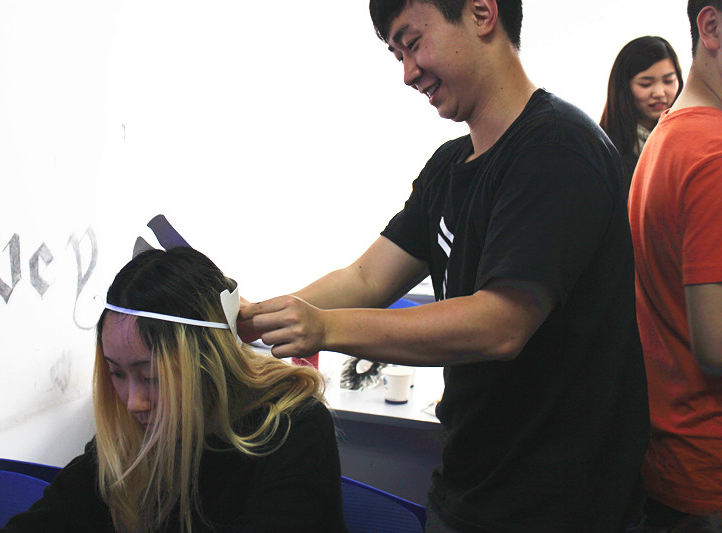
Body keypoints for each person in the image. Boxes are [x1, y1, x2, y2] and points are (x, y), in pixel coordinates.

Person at [239, 1, 649, 531]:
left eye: (413, 43)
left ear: (481, 13)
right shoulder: (449, 168)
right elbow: (366, 279)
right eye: (397, 55)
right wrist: (256, 317)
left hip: (562, 510)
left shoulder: (559, 149)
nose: (408, 73)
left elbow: (499, 324)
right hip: (470, 491)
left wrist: (323, 328)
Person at [0, 246, 348, 533]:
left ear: (208, 364)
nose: (133, 402)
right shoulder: (132, 436)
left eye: (151, 377)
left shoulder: (295, 427)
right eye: (117, 373)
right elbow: (51, 518)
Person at [628, 1, 722, 529]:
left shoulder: (670, 135)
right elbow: (715, 343)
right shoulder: (713, 154)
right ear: (711, 27)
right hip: (708, 469)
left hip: (672, 452)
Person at [600, 36, 684, 185]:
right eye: (646, 84)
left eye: (668, 81)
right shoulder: (605, 151)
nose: (659, 93)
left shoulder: (688, 136)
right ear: (624, 88)